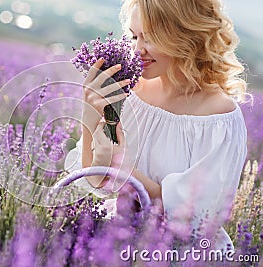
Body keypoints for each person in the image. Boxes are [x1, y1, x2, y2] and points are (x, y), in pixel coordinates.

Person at [64, 0, 250, 252]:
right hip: (118, 244)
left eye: (150, 38)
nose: (137, 49)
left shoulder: (219, 117)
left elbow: (195, 222)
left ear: (184, 35)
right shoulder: (132, 90)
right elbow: (97, 180)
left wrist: (125, 168)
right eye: (133, 37)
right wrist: (90, 116)